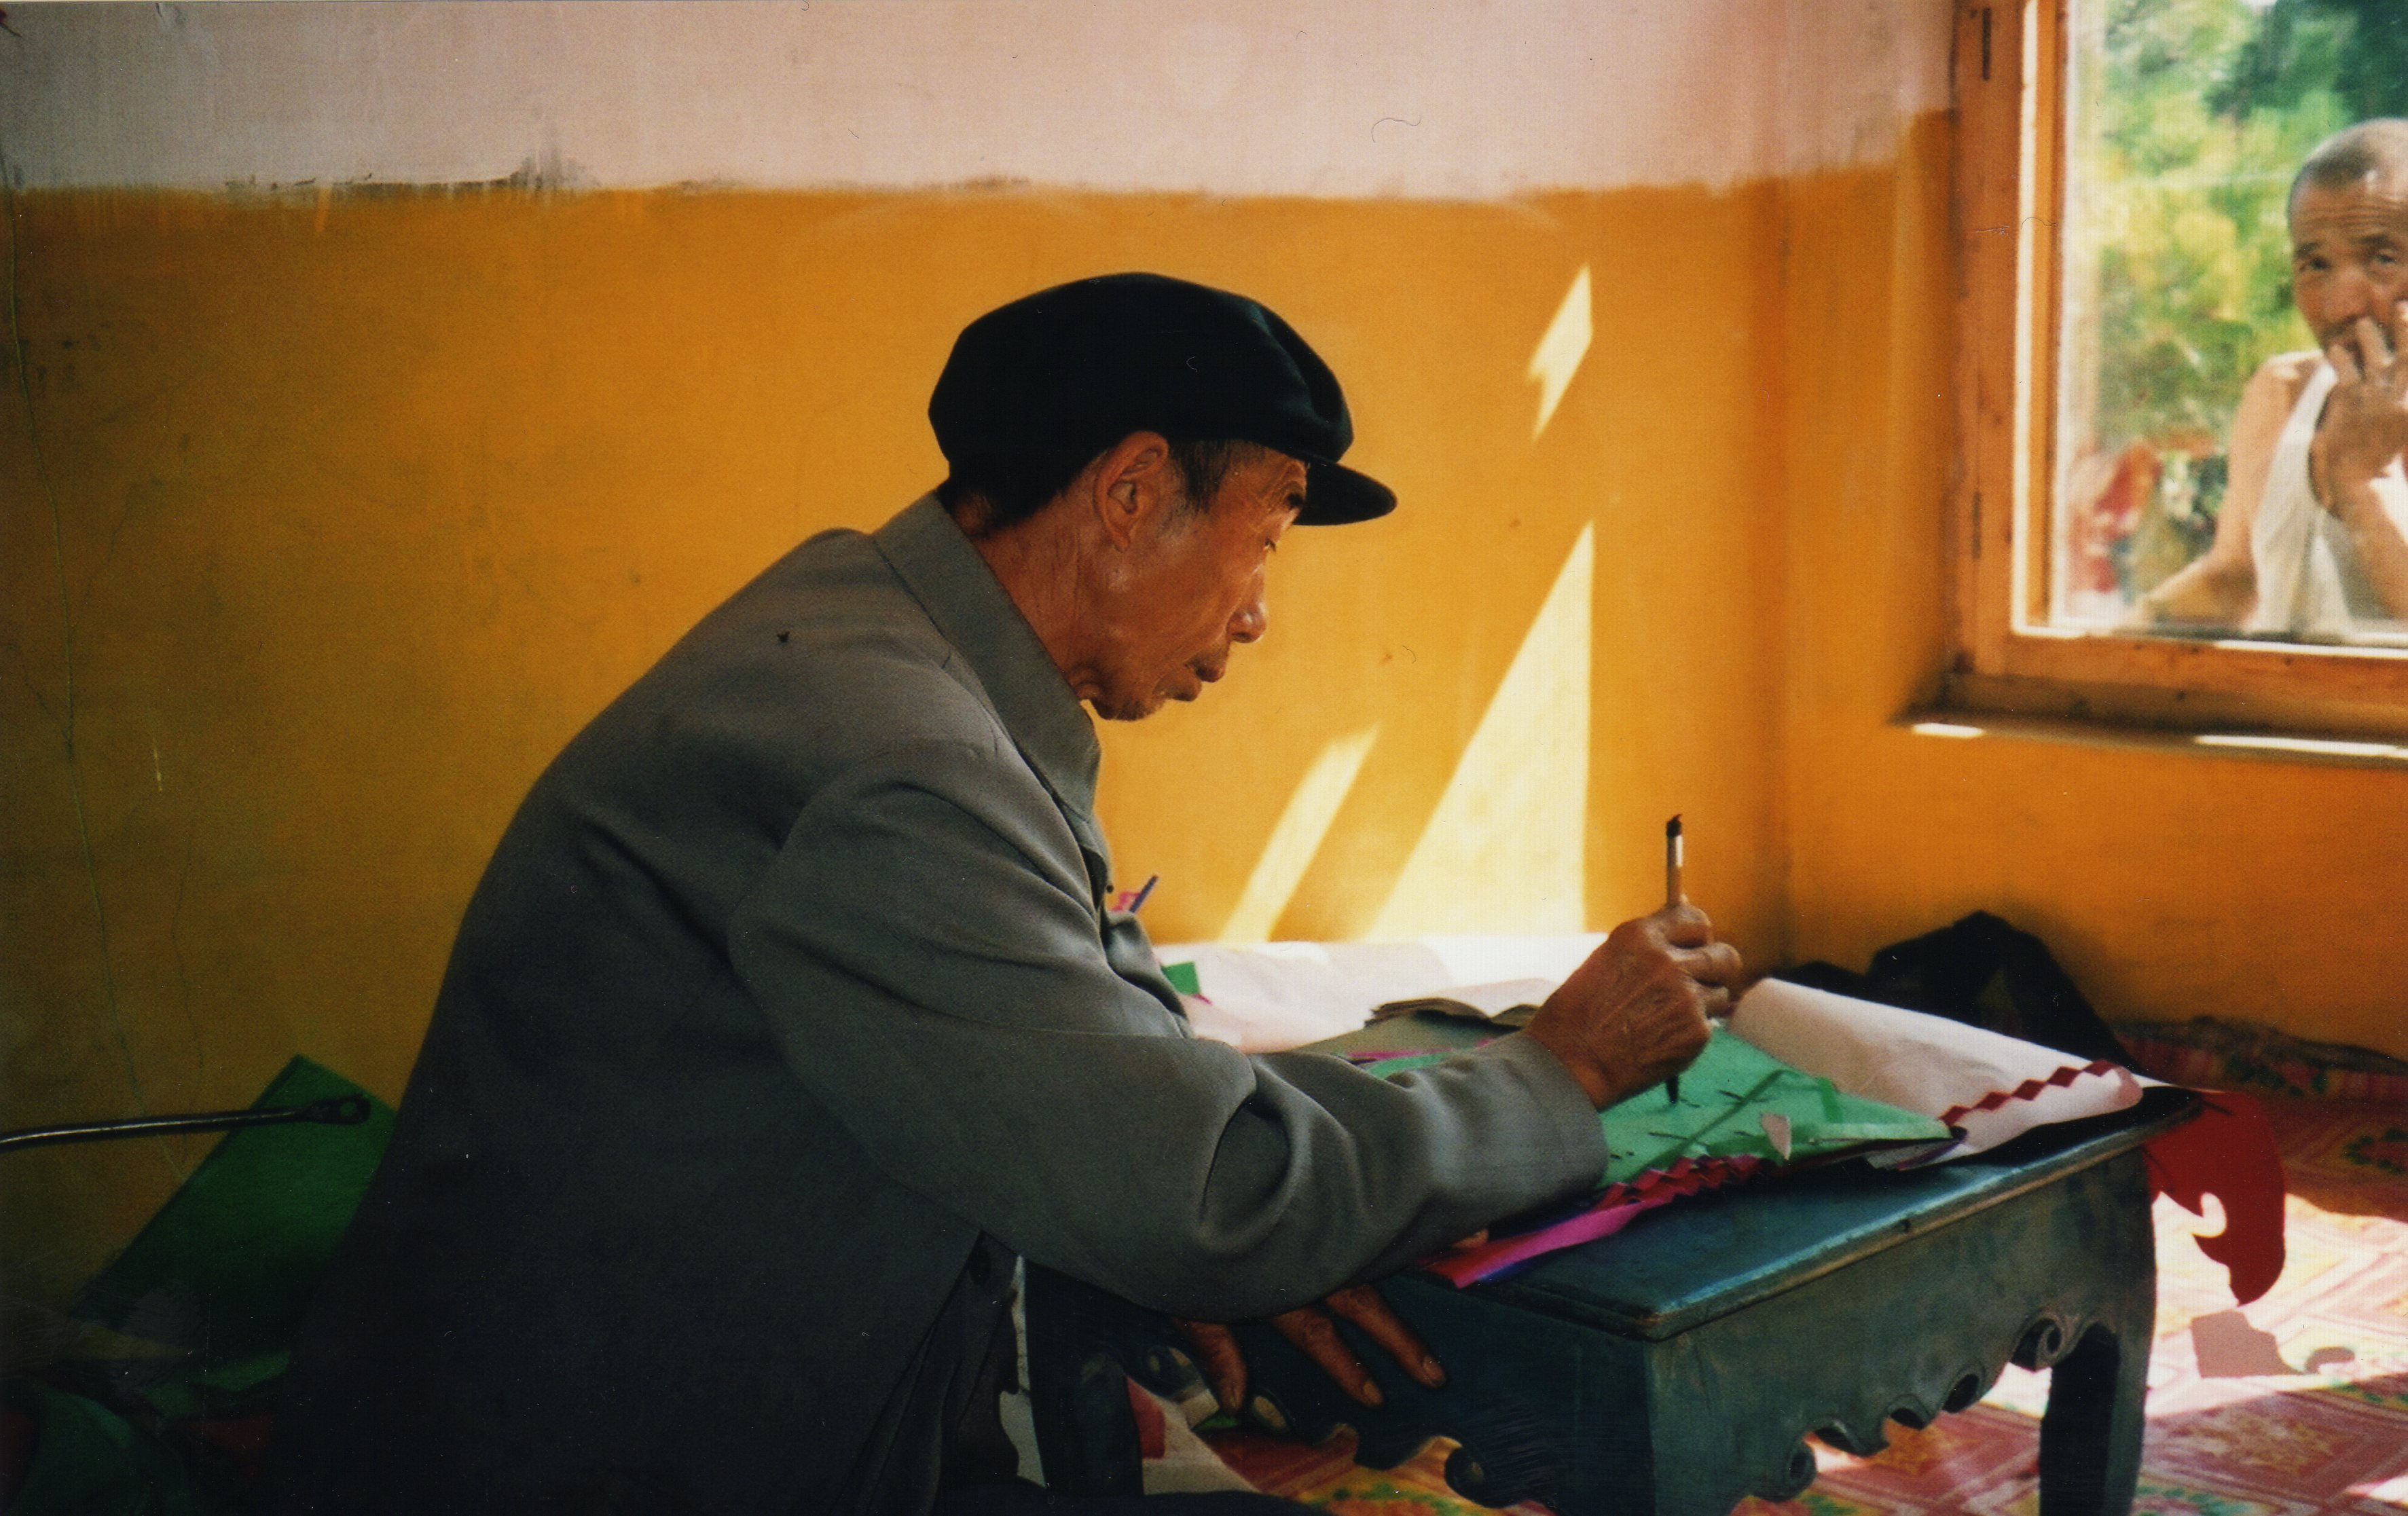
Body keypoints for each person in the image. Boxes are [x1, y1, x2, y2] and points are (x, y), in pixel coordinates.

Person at [264, 274, 1736, 1515]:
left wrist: (1135, 1224)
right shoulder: (895, 763)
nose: (1260, 609)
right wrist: (1559, 1068)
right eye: (1271, 528)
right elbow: (1204, 1190)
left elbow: (1060, 1101)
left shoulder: (874, 641)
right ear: (1132, 491)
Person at [2134, 118, 2408, 635]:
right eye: (2316, 264)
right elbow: (2233, 577)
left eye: (2382, 259)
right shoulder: (2284, 391)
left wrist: (2364, 481)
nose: (2341, 304)